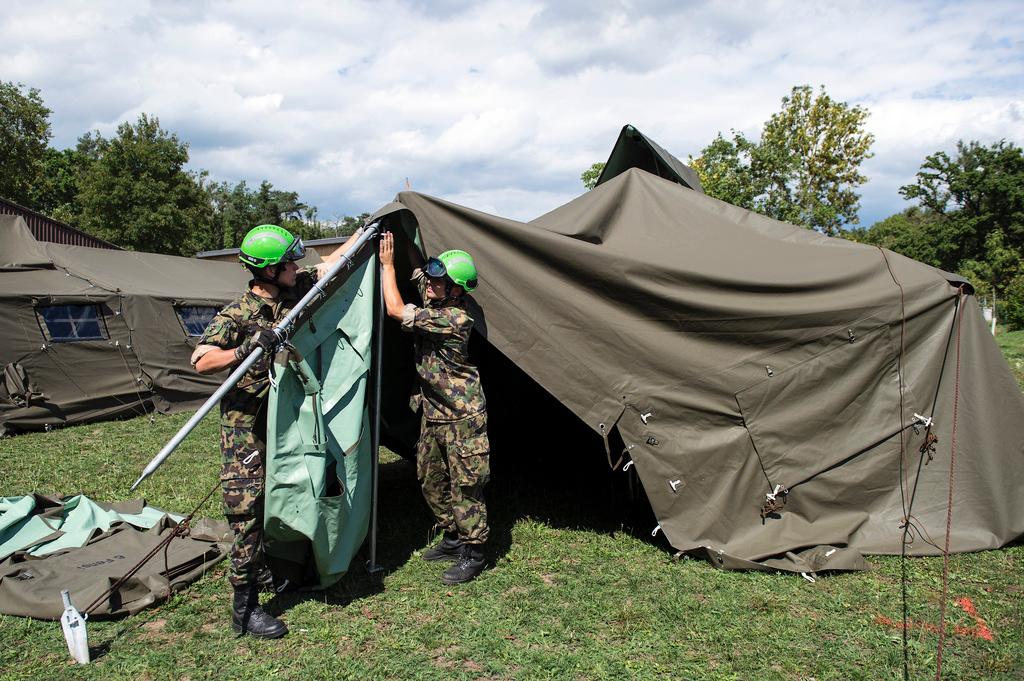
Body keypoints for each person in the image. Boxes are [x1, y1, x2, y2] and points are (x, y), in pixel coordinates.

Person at [191, 223, 362, 638]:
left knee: (288, 489)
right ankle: (245, 607)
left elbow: (331, 263)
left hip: (289, 421)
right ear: (270, 271)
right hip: (247, 426)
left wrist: (367, 229)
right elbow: (200, 360)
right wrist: (244, 349)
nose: (297, 266)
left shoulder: (295, 290)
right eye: (289, 262)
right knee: (246, 511)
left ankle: (277, 567)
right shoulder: (237, 313)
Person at [379, 231, 490, 584]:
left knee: (466, 486)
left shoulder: (454, 318)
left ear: (456, 290)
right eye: (431, 279)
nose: (429, 285)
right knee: (429, 478)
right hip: (433, 412)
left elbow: (395, 309)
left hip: (462, 416)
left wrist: (385, 265)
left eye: (438, 282)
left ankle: (474, 551)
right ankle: (453, 536)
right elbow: (418, 271)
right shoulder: (436, 298)